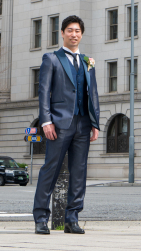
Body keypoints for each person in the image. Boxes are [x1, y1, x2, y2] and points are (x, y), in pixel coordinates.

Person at [33, 16, 101, 235]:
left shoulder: (88, 61)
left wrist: (95, 122)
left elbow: (94, 95)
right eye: (70, 30)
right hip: (59, 123)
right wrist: (46, 121)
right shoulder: (51, 59)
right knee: (50, 169)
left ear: (82, 34)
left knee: (79, 171)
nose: (74, 34)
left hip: (83, 124)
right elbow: (43, 92)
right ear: (62, 33)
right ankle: (41, 218)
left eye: (78, 31)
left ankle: (72, 218)